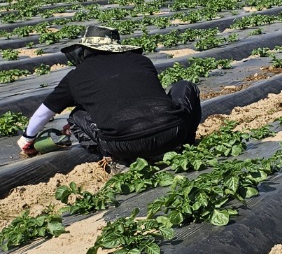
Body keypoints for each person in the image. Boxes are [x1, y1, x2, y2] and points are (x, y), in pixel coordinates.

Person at [18, 24, 201, 167]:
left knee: (75, 116)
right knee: (185, 86)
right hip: (174, 133)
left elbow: (45, 112)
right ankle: (186, 144)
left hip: (124, 146)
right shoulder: (141, 61)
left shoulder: (76, 76)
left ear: (85, 50)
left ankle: (112, 158)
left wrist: (27, 140)